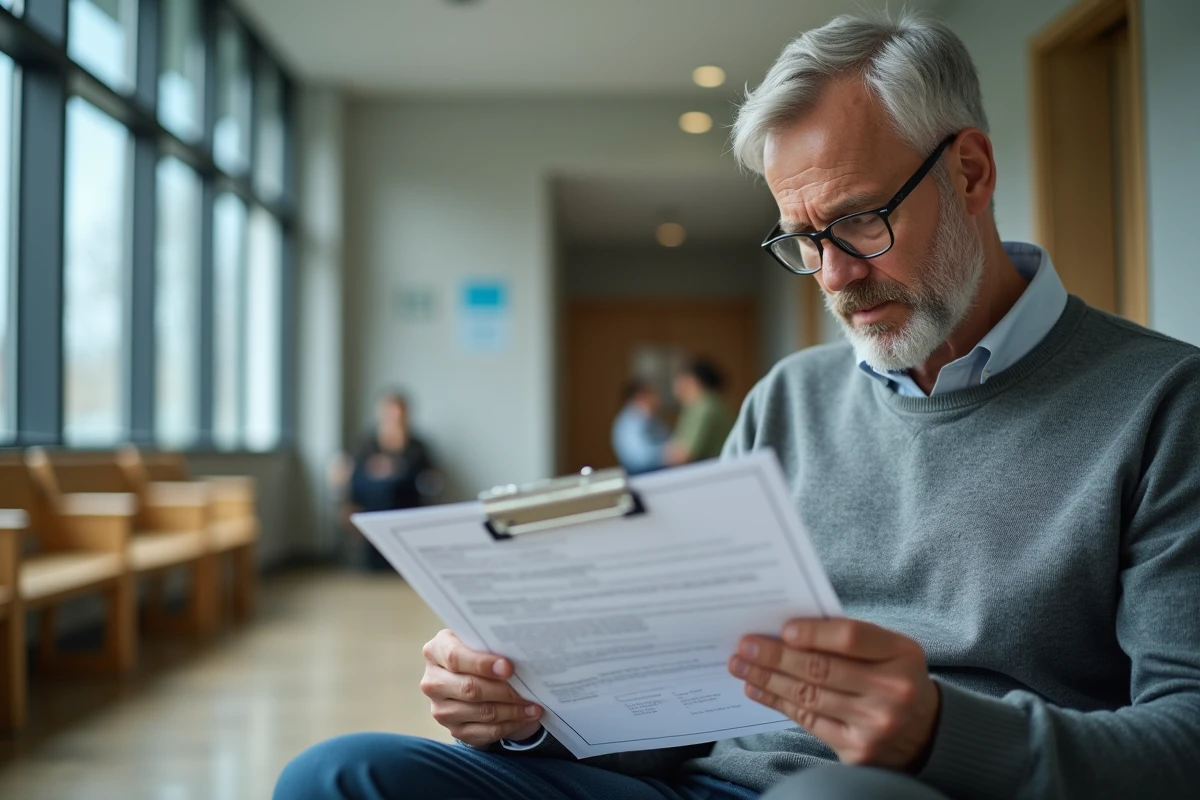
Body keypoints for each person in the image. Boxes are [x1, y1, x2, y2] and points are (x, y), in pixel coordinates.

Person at [276, 10, 1200, 800]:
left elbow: (1185, 740)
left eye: (861, 221)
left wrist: (938, 731)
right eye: (803, 240)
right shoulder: (790, 399)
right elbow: (691, 702)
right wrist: (527, 713)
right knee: (339, 776)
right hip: (706, 779)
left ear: (969, 172)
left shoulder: (1162, 405)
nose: (835, 276)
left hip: (905, 789)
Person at [333, 391, 438, 571]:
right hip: (369, 502)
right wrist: (345, 500)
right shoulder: (366, 443)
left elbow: (428, 478)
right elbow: (351, 474)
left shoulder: (417, 447)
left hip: (404, 502)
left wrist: (395, 470)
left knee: (391, 487)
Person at [664, 359, 735, 466]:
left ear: (691, 381)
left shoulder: (704, 407)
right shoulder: (697, 405)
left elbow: (684, 455)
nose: (675, 384)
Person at [611, 379, 669, 475]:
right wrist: (667, 453)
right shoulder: (630, 421)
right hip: (642, 473)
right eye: (652, 394)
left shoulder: (651, 417)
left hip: (656, 469)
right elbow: (639, 457)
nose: (657, 398)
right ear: (641, 396)